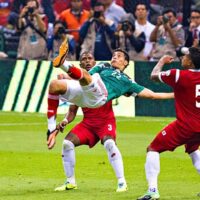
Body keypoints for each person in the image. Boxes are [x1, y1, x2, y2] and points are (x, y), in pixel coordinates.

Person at [46, 37, 174, 150]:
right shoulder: (103, 66)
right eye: (114, 55)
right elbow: (85, 77)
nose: (115, 57)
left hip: (99, 97)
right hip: (86, 92)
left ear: (125, 63)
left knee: (110, 144)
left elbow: (152, 94)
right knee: (54, 84)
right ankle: (50, 128)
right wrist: (67, 80)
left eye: (119, 56)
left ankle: (63, 63)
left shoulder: (127, 82)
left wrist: (174, 95)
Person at [51, 52, 127, 192]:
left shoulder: (103, 75)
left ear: (95, 62)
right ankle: (70, 182)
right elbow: (73, 110)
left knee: (109, 143)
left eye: (90, 58)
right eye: (84, 59)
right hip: (88, 124)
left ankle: (122, 182)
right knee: (67, 143)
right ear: (80, 65)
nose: (87, 61)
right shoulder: (78, 85)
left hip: (105, 122)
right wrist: (65, 121)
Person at [137, 47, 200, 200]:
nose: (182, 58)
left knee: (153, 148)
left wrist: (161, 61)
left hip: (185, 126)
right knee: (193, 150)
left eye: (185, 56)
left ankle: (152, 191)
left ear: (190, 62)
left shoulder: (178, 75)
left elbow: (153, 76)